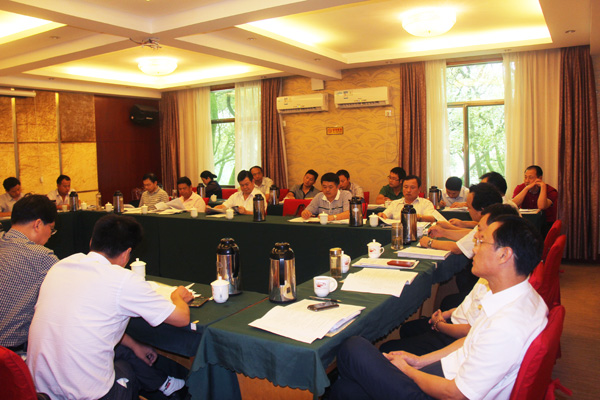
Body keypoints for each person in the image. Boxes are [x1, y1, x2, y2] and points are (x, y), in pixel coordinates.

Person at [331, 215, 547, 400]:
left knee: (353, 347)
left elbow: (455, 394)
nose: (474, 248)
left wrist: (408, 371)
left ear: (504, 255)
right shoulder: (515, 296)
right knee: (346, 389)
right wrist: (419, 361)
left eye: (481, 242)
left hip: (442, 392)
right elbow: (470, 341)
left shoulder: (506, 325)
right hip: (446, 372)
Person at [28, 214, 194, 399]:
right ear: (126, 254)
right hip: (89, 395)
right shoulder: (122, 279)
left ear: (91, 242)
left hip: (39, 390)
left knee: (122, 349)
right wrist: (177, 296)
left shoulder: (60, 266)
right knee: (128, 367)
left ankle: (165, 384)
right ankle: (166, 385)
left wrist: (135, 345)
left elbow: (89, 325)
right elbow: (181, 318)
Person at [380, 204, 520, 356]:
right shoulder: (491, 274)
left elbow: (470, 333)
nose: (474, 244)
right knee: (408, 329)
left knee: (388, 348)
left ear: (504, 254)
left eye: (481, 236)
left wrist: (440, 325)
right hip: (455, 321)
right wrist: (446, 315)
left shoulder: (501, 290)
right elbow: (469, 305)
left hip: (455, 336)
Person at [0, 195, 58, 351]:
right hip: (12, 352)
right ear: (38, 224)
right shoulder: (42, 257)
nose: (50, 236)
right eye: (51, 229)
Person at [421, 182, 502, 257]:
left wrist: (430, 242)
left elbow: (457, 248)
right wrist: (444, 231)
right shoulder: (495, 218)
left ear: (481, 210)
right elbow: (470, 235)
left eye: (469, 207)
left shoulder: (490, 226)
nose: (468, 210)